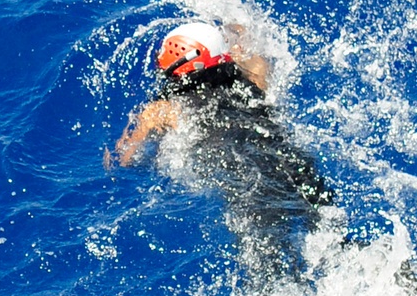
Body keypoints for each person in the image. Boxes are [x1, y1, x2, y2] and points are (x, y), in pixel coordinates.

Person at [107, 21, 333, 280]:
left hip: (252, 188)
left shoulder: (163, 110)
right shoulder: (254, 77)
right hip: (295, 167)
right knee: (330, 238)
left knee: (271, 282)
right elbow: (244, 35)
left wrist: (117, 149)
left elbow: (123, 160)